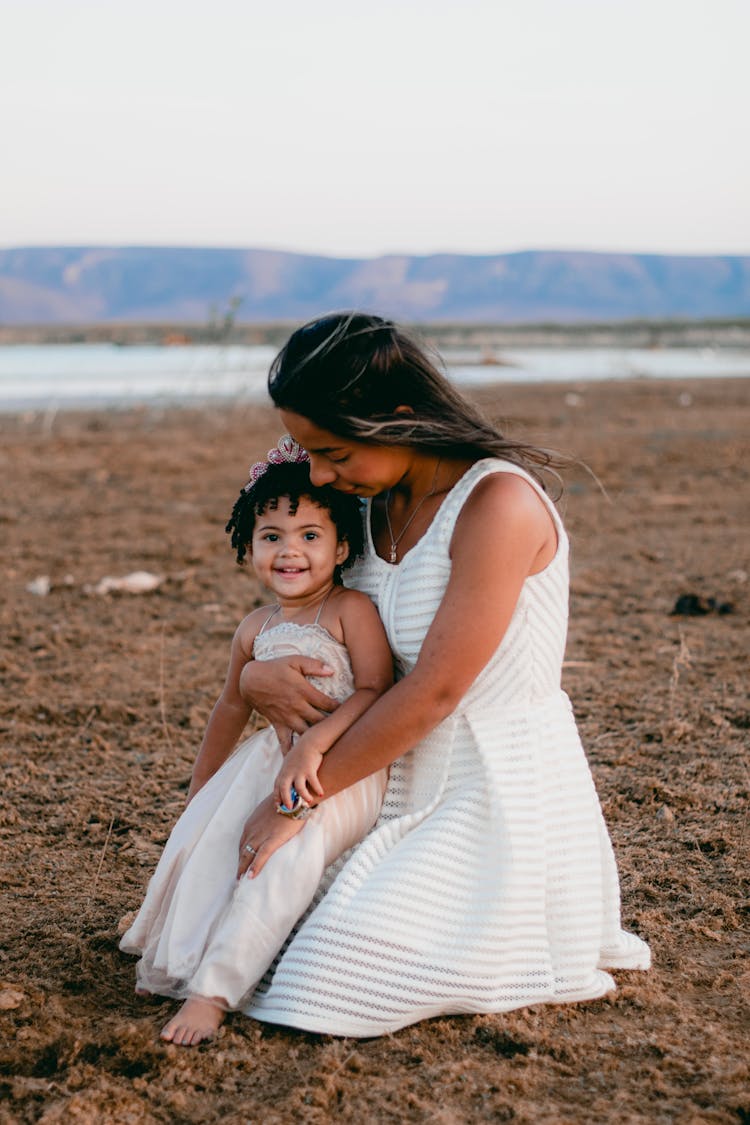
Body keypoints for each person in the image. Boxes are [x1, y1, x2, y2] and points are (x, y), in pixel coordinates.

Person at [230, 312, 651, 1039]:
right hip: (376, 777)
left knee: (322, 981)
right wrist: (251, 681)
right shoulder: (367, 506)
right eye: (306, 452)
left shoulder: (498, 503)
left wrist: (296, 804)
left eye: (332, 451)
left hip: (487, 793)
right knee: (236, 932)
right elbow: (316, 625)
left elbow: (436, 690)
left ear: (398, 418)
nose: (319, 475)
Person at [119, 436, 393, 1045]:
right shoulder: (254, 627)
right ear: (247, 548)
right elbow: (228, 708)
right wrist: (201, 792)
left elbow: (375, 690)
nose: (289, 551)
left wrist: (313, 746)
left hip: (338, 765)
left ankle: (213, 993)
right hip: (264, 761)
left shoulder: (350, 611)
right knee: (210, 842)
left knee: (281, 861)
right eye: (271, 536)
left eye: (310, 536)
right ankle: (181, 956)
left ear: (342, 546)